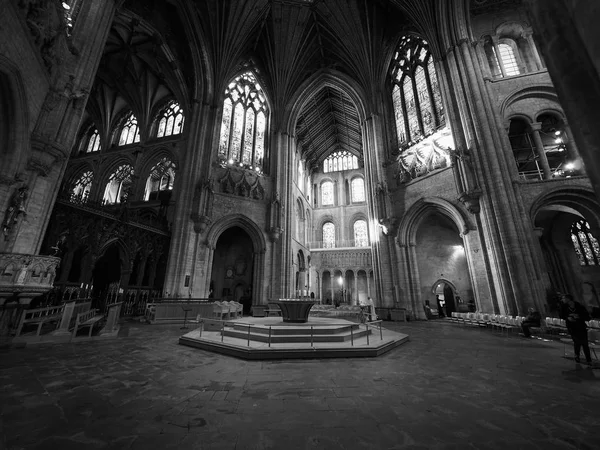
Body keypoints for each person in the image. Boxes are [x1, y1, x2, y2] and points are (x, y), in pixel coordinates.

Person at [559, 294, 592, 364]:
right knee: (577, 342)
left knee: (585, 343)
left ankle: (588, 359)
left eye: (563, 298)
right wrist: (568, 317)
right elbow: (561, 316)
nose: (562, 300)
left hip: (581, 327)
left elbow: (587, 317)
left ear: (568, 299)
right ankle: (577, 356)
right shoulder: (564, 307)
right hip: (572, 327)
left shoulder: (579, 306)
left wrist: (578, 316)